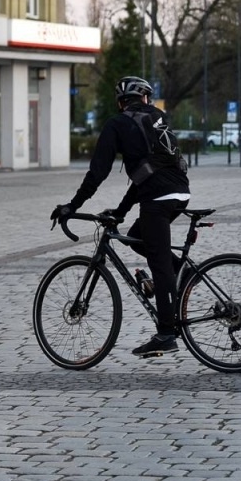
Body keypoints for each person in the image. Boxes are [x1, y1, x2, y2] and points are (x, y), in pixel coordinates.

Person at [51, 75, 191, 358]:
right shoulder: (158, 117)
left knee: (159, 263)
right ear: (145, 99)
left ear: (120, 102)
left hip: (157, 199)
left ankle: (166, 334)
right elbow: (147, 173)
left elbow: (98, 172)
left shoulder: (117, 124)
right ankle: (182, 271)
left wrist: (72, 206)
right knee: (136, 236)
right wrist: (121, 212)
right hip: (180, 193)